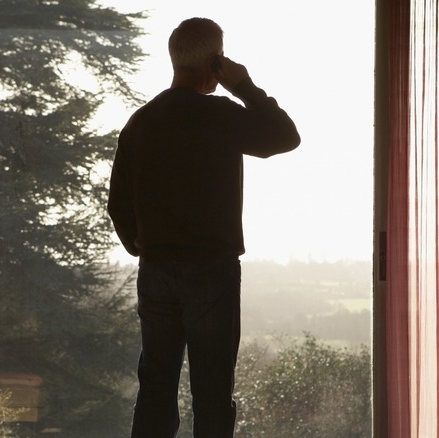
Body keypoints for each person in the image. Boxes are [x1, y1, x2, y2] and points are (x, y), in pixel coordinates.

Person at [107, 17, 300, 437]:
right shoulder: (221, 116)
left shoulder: (141, 122)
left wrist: (138, 245)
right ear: (216, 62)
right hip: (212, 271)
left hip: (156, 270)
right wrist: (244, 86)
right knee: (212, 392)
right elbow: (286, 137)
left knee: (155, 386)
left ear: (175, 61)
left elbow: (117, 202)